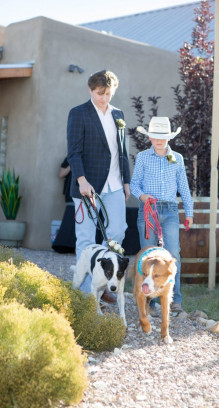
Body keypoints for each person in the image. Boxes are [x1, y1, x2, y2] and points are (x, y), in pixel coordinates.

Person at [67, 70, 131, 302]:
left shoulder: (118, 114)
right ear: (90, 90)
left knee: (117, 232)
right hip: (87, 186)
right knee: (85, 239)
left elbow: (122, 151)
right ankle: (86, 294)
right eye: (99, 93)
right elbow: (73, 152)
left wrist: (126, 182)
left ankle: (102, 282)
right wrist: (81, 180)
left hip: (114, 185)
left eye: (108, 93)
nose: (104, 98)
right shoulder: (78, 113)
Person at [130, 116, 193, 317]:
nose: (159, 141)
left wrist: (189, 212)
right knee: (148, 256)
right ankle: (151, 301)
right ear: (149, 137)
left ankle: (175, 298)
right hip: (148, 210)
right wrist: (142, 196)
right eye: (155, 137)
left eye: (163, 137)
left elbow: (184, 187)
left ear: (169, 138)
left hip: (170, 211)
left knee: (173, 253)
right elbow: (134, 184)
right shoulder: (142, 157)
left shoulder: (177, 159)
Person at [52, 157, 76, 253]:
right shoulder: (70, 158)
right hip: (71, 192)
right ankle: (64, 246)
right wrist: (74, 163)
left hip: (87, 194)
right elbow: (61, 174)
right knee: (70, 218)